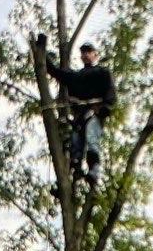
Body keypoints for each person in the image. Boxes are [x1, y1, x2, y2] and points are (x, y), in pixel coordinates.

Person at [41, 38, 117, 186]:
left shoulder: (102, 73)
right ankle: (71, 175)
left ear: (96, 55)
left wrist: (105, 107)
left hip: (94, 113)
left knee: (91, 137)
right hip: (79, 117)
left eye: (89, 52)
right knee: (75, 145)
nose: (86, 55)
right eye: (83, 52)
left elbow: (110, 93)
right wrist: (43, 55)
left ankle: (94, 170)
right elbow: (56, 72)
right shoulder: (76, 76)